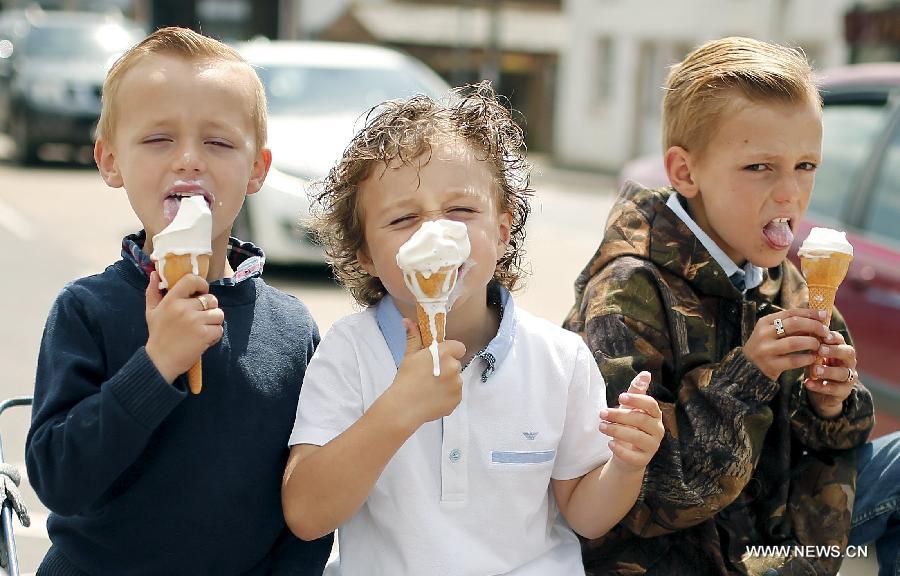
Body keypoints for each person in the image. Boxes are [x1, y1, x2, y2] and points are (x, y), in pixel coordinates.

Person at [280, 82, 665, 575]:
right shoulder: (351, 351)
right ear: (365, 255)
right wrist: (396, 411)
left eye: (461, 210)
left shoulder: (559, 359)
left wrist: (627, 465)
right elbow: (307, 514)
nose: (435, 232)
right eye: (403, 218)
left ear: (503, 232)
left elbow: (586, 516)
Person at [563, 36, 897, 575]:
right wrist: (750, 374)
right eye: (760, 167)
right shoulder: (629, 293)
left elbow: (829, 448)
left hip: (780, 546)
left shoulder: (787, 283)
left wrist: (831, 404)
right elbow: (646, 498)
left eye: (806, 165)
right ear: (685, 172)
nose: (790, 193)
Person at [25, 27, 332, 575]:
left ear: (257, 168)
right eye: (158, 139)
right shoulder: (87, 311)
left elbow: (305, 502)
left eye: (217, 142)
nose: (189, 159)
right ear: (110, 161)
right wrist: (156, 364)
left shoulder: (290, 329)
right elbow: (59, 480)